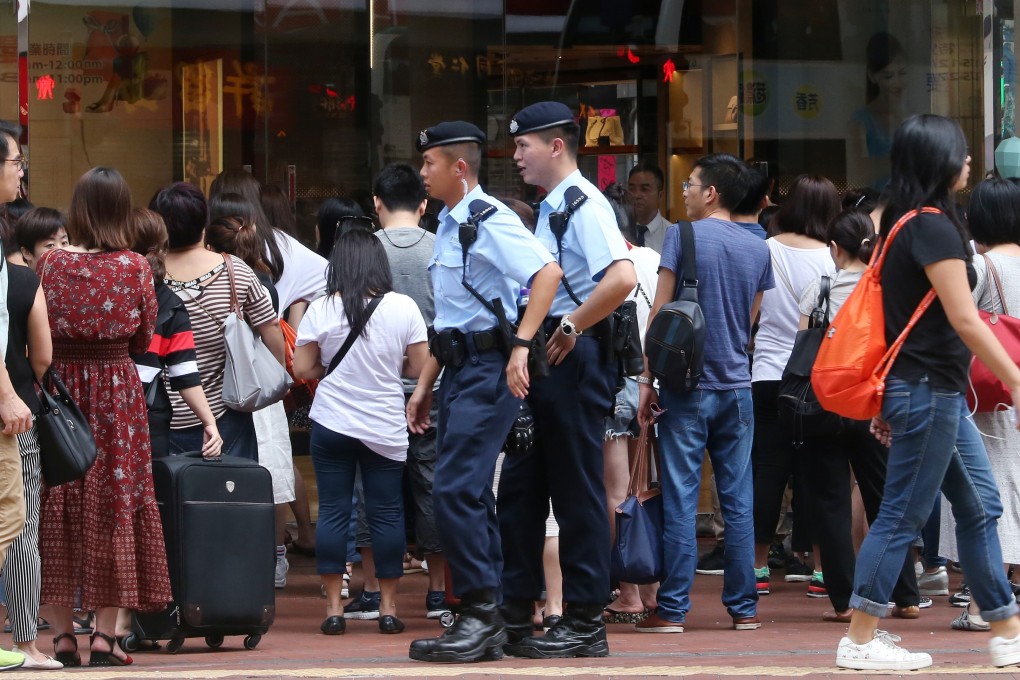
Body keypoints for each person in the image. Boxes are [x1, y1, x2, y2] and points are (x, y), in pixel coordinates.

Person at [834, 114, 1020, 671]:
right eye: (961, 153)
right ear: (939, 161)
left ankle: (1006, 628)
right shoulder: (934, 227)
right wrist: (1015, 378)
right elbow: (966, 321)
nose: (968, 162)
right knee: (901, 515)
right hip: (929, 391)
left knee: (980, 505)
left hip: (928, 391)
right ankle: (860, 638)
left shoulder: (903, 222)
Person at [404, 120, 561, 663]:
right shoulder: (450, 223)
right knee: (465, 491)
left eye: (429, 163)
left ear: (459, 167)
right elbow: (450, 318)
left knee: (453, 489)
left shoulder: (488, 218)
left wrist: (521, 345)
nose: (422, 172)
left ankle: (480, 612)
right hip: (460, 370)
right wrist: (425, 384)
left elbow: (547, 273)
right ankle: (490, 614)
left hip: (490, 370)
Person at [499, 102, 636, 658]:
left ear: (556, 146)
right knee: (523, 489)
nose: (516, 156)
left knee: (576, 491)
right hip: (547, 359)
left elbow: (622, 277)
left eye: (523, 146)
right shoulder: (553, 204)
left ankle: (583, 618)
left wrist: (573, 326)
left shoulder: (583, 202)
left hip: (572, 360)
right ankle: (515, 611)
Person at [38, 167, 172, 667]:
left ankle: (61, 638)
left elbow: (37, 332)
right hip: (118, 395)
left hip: (58, 394)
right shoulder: (136, 266)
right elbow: (143, 339)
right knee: (118, 504)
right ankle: (105, 636)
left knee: (56, 503)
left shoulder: (50, 264)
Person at [635, 153, 772, 634]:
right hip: (737, 387)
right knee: (737, 501)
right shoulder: (760, 248)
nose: (686, 192)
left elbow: (660, 311)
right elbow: (751, 320)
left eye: (691, 185)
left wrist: (646, 380)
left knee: (681, 497)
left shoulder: (682, 235)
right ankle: (744, 608)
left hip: (685, 387)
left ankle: (672, 609)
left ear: (711, 192)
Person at [294, 229, 429, 636]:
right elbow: (418, 367)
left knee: (334, 511)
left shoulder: (322, 308)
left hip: (332, 421)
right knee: (387, 513)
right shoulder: (402, 307)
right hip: (384, 424)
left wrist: (328, 370)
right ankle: (388, 608)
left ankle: (334, 608)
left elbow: (302, 369)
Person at [795, 208, 920, 622]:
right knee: (886, 498)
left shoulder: (821, 288)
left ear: (835, 248)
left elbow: (802, 347)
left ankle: (844, 600)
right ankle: (905, 596)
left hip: (826, 404)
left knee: (830, 503)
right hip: (874, 405)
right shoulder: (885, 288)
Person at [937, 178, 1020, 632]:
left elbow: (959, 321)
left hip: (992, 401)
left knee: (987, 496)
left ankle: (984, 602)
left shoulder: (981, 265)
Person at [150, 182, 285, 459]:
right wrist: (277, 370)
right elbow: (270, 326)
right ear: (203, 224)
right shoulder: (234, 270)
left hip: (158, 416)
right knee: (231, 497)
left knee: (167, 497)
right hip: (225, 412)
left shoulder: (145, 274)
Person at [751, 174, 838, 595]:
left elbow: (752, 311)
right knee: (817, 474)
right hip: (815, 378)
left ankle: (758, 567)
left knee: (767, 470)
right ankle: (821, 571)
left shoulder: (766, 250)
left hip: (767, 373)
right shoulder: (832, 258)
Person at [371, 163, 447, 618]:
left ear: (376, 203)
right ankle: (439, 586)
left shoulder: (364, 253)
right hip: (432, 385)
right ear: (424, 204)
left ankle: (374, 591)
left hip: (375, 389)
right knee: (432, 485)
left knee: (375, 489)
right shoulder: (443, 249)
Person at [0, 121, 51, 671]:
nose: (21, 170)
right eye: (15, 160)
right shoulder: (27, 284)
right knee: (20, 529)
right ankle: (28, 641)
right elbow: (42, 357)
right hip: (15, 418)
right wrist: (13, 394)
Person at [600, 183, 660, 624]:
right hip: (650, 384)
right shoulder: (655, 261)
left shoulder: (603, 264)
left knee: (615, 492)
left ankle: (627, 590)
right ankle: (652, 584)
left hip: (615, 383)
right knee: (644, 489)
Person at [128, 208, 220, 462]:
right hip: (147, 416)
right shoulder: (170, 303)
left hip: (95, 408)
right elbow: (185, 373)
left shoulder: (101, 291)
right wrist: (209, 422)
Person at [626, 162, 669, 252]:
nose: (636, 195)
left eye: (644, 189)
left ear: (660, 195)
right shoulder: (619, 233)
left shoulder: (672, 235)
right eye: (632, 189)